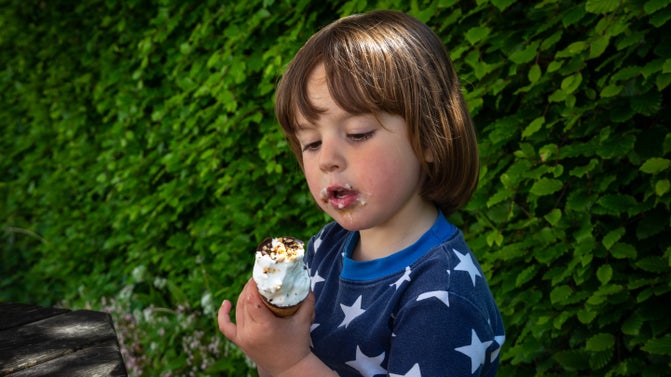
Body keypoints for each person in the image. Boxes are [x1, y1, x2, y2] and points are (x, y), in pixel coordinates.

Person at [219, 9, 505, 377]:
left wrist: (288, 362)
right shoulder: (327, 246)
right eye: (311, 142)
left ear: (430, 138)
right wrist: (270, 340)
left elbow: (291, 363)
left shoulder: (443, 298)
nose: (327, 159)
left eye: (357, 133)